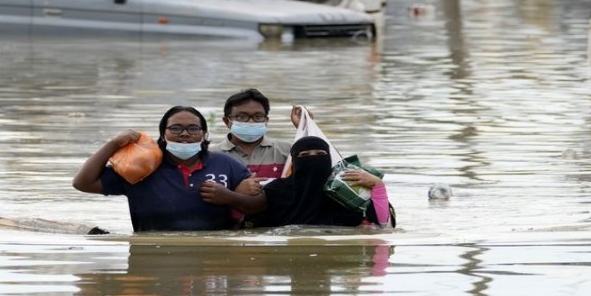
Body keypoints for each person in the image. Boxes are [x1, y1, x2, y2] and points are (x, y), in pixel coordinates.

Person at [73, 105, 251, 232]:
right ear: (163, 136)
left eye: (193, 129)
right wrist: (113, 144)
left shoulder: (225, 164)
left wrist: (230, 197)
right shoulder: (142, 168)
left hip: (213, 262)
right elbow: (83, 183)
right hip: (152, 262)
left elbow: (260, 204)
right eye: (175, 128)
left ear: (205, 135)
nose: (184, 134)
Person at [202, 136, 393, 228]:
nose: (313, 160)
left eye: (319, 155)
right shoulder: (275, 191)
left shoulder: (344, 189)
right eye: (305, 155)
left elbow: (383, 223)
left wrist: (378, 187)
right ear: (294, 162)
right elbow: (249, 223)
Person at [216, 88, 300, 185]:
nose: (251, 122)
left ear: (266, 120)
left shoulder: (287, 151)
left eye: (258, 117)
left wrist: (304, 126)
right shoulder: (211, 156)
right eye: (242, 117)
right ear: (227, 121)